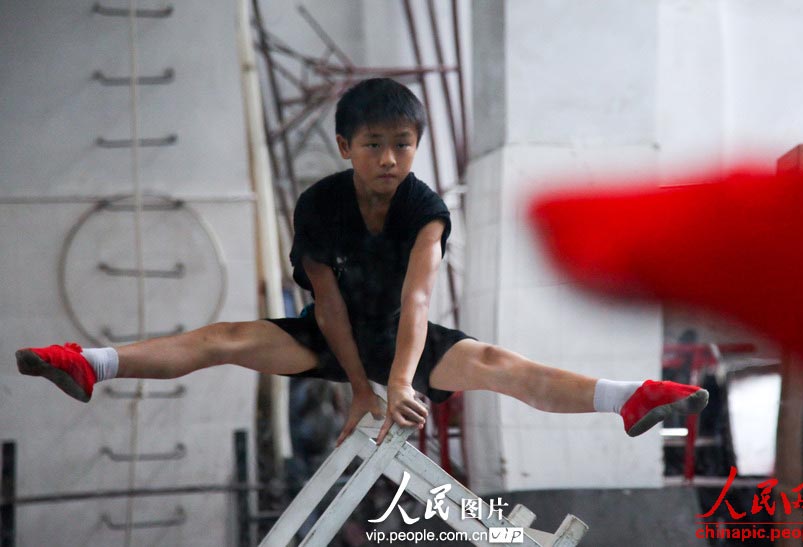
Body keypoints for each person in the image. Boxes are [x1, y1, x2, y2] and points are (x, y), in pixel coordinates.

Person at [16, 78, 708, 445]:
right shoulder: (318, 205)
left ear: (417, 147)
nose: (389, 159)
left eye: (403, 144)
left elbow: (417, 303)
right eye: (374, 144)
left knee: (500, 364)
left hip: (405, 337)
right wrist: (357, 386)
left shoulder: (425, 207)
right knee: (222, 338)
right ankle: (89, 361)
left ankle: (629, 395)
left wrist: (400, 382)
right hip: (332, 333)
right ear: (345, 144)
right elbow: (328, 303)